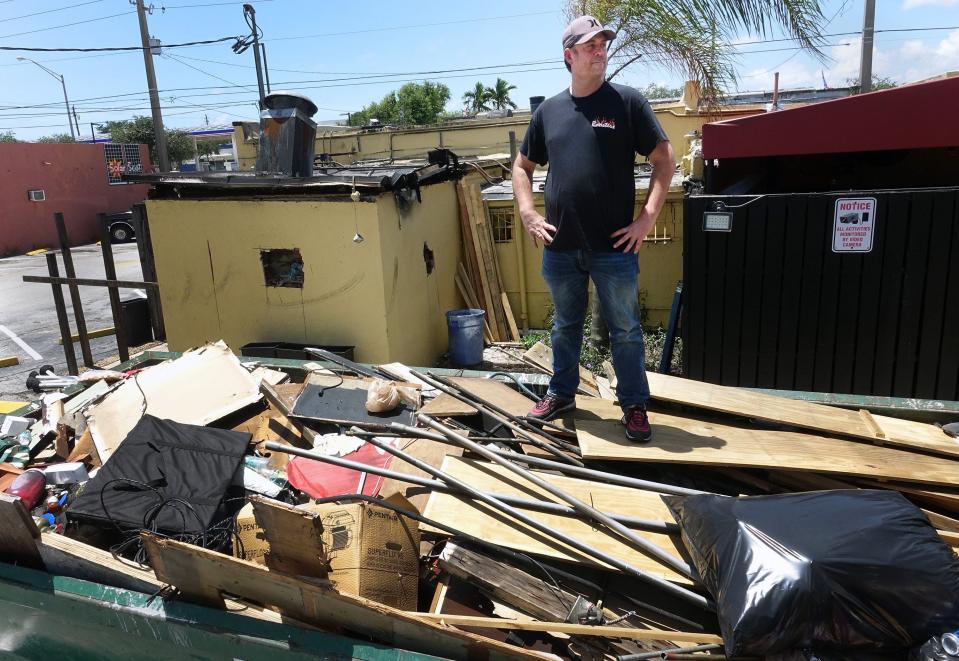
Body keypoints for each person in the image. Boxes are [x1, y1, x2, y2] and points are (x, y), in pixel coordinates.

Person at [512, 15, 675, 442]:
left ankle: (634, 405)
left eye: (602, 43)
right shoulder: (548, 111)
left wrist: (647, 218)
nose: (600, 50)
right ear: (569, 56)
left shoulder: (627, 103)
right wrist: (528, 212)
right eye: (589, 45)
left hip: (614, 248)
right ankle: (562, 393)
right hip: (561, 246)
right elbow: (522, 167)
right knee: (564, 326)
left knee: (625, 329)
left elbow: (664, 159)